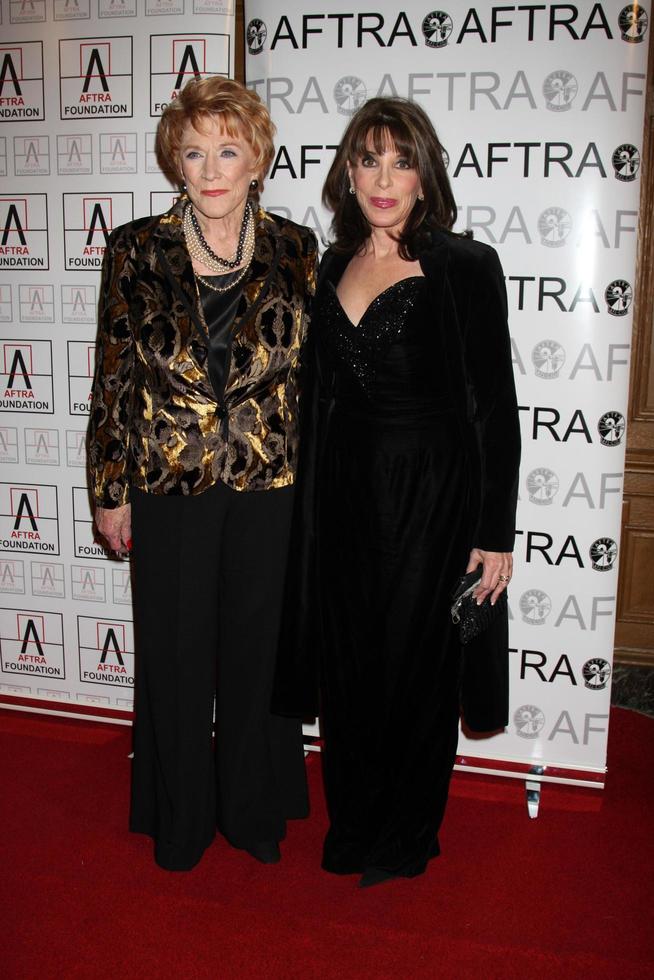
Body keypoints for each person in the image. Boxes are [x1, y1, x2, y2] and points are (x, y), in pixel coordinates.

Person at [275, 97, 521, 887]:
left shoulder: (463, 266)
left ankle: (407, 832)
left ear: (424, 175)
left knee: (415, 670)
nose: (384, 178)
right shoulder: (329, 265)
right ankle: (354, 824)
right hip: (344, 498)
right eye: (369, 160)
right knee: (350, 668)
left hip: (432, 500)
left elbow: (495, 409)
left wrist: (494, 532)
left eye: (400, 160)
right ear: (348, 173)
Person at [88, 76, 317, 872]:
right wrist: (110, 490)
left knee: (258, 654)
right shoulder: (135, 249)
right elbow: (113, 378)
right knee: (177, 658)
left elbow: (311, 381)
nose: (212, 168)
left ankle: (252, 809)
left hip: (268, 488)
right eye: (194, 152)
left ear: (257, 159)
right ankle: (181, 819)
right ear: (175, 164)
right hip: (169, 486)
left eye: (228, 150)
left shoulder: (296, 249)